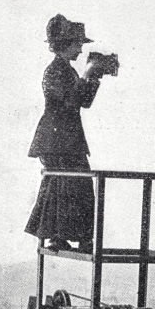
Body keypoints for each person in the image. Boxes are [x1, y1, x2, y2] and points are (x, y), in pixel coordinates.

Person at [25, 14, 104, 253]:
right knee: (67, 187)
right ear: (64, 44)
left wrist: (93, 75)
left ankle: (68, 236)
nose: (80, 50)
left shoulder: (66, 71)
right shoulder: (54, 72)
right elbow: (71, 101)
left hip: (65, 139)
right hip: (57, 139)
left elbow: (84, 101)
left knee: (70, 187)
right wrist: (88, 73)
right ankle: (64, 236)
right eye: (77, 44)